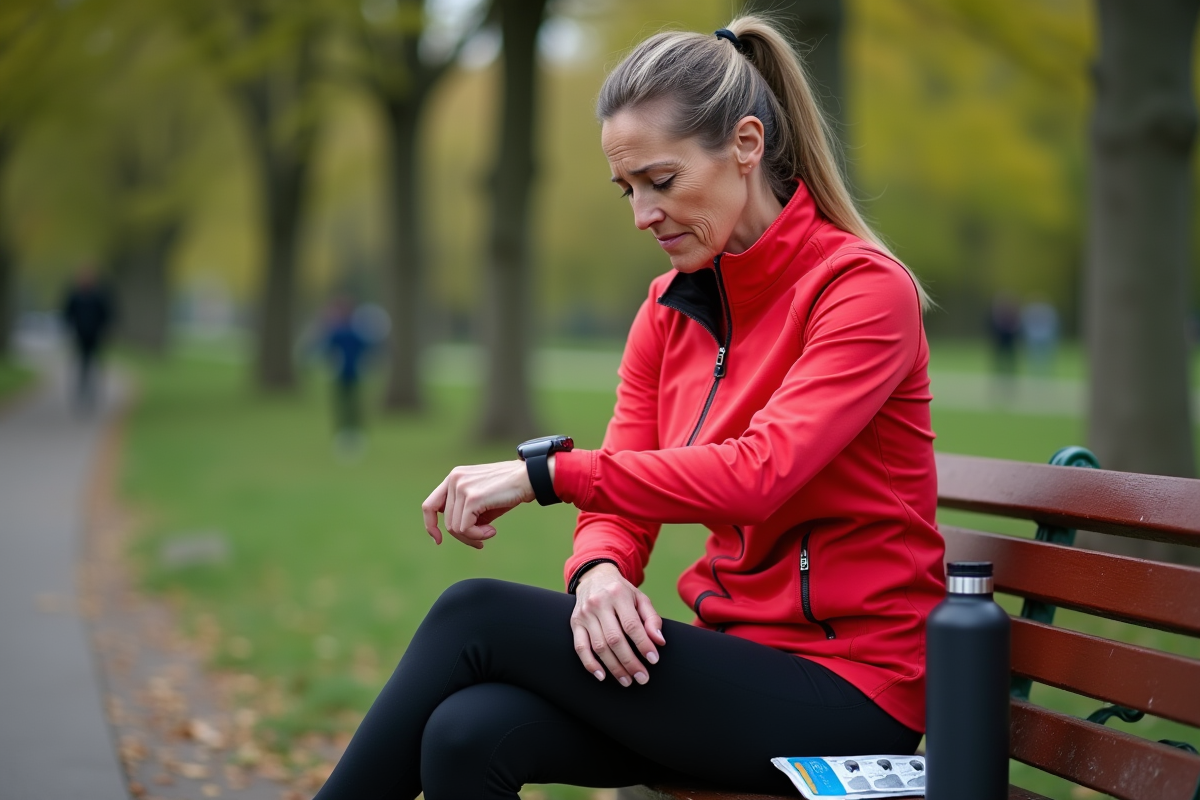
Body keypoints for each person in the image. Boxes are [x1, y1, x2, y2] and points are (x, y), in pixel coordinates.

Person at [314, 15, 943, 800]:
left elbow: (761, 473)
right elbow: (629, 486)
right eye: (628, 189)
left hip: (855, 689)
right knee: (466, 732)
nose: (643, 214)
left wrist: (543, 476)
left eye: (662, 181)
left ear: (746, 146)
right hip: (735, 662)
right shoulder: (668, 308)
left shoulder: (861, 290)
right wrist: (600, 571)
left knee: (473, 613)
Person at [320, 297, 373, 453]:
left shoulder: (351, 332)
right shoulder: (340, 332)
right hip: (341, 374)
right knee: (343, 405)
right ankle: (345, 434)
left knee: (352, 405)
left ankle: (353, 434)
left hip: (352, 373)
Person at [61, 266, 114, 412]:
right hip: (80, 335)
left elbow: (107, 314)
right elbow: (67, 313)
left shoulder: (99, 296)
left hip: (96, 336)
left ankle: (94, 393)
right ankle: (82, 391)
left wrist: (106, 330)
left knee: (95, 364)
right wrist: (69, 329)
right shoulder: (75, 296)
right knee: (82, 364)